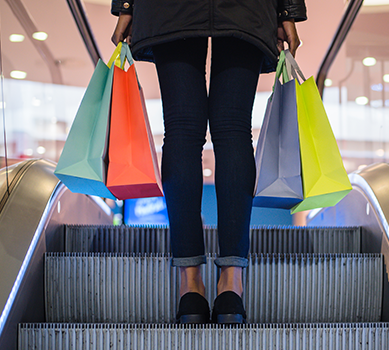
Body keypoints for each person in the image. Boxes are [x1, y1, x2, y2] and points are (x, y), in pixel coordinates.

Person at [111, 0, 307, 324]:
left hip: (169, 10)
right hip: (245, 9)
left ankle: (190, 288)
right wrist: (286, 10)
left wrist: (127, 6)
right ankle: (231, 285)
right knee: (233, 130)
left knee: (181, 132)